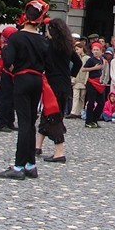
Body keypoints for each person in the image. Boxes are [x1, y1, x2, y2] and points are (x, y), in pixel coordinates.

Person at [0, 0, 53, 180]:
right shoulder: (43, 40)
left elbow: (7, 61)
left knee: (23, 123)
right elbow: (48, 62)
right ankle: (30, 164)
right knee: (30, 123)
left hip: (22, 79)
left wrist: (15, 66)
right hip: (37, 80)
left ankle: (18, 166)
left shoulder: (16, 37)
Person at [36, 18, 82, 163]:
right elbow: (78, 62)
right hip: (64, 84)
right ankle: (37, 146)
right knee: (47, 114)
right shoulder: (67, 45)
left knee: (53, 117)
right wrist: (71, 75)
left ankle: (59, 152)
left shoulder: (48, 45)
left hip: (52, 85)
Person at [82, 42, 106, 128]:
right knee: (91, 102)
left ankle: (94, 119)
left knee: (101, 102)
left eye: (97, 50)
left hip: (98, 82)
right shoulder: (91, 60)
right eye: (94, 50)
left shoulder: (101, 59)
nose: (95, 51)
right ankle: (88, 121)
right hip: (91, 82)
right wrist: (94, 68)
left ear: (101, 51)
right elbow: (83, 69)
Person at [66, 41, 89, 119]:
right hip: (76, 80)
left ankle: (80, 112)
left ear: (82, 48)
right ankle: (73, 112)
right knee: (75, 96)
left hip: (83, 80)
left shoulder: (87, 58)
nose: (76, 51)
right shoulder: (76, 58)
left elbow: (88, 71)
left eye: (77, 49)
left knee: (82, 97)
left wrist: (86, 81)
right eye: (75, 49)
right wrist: (73, 79)